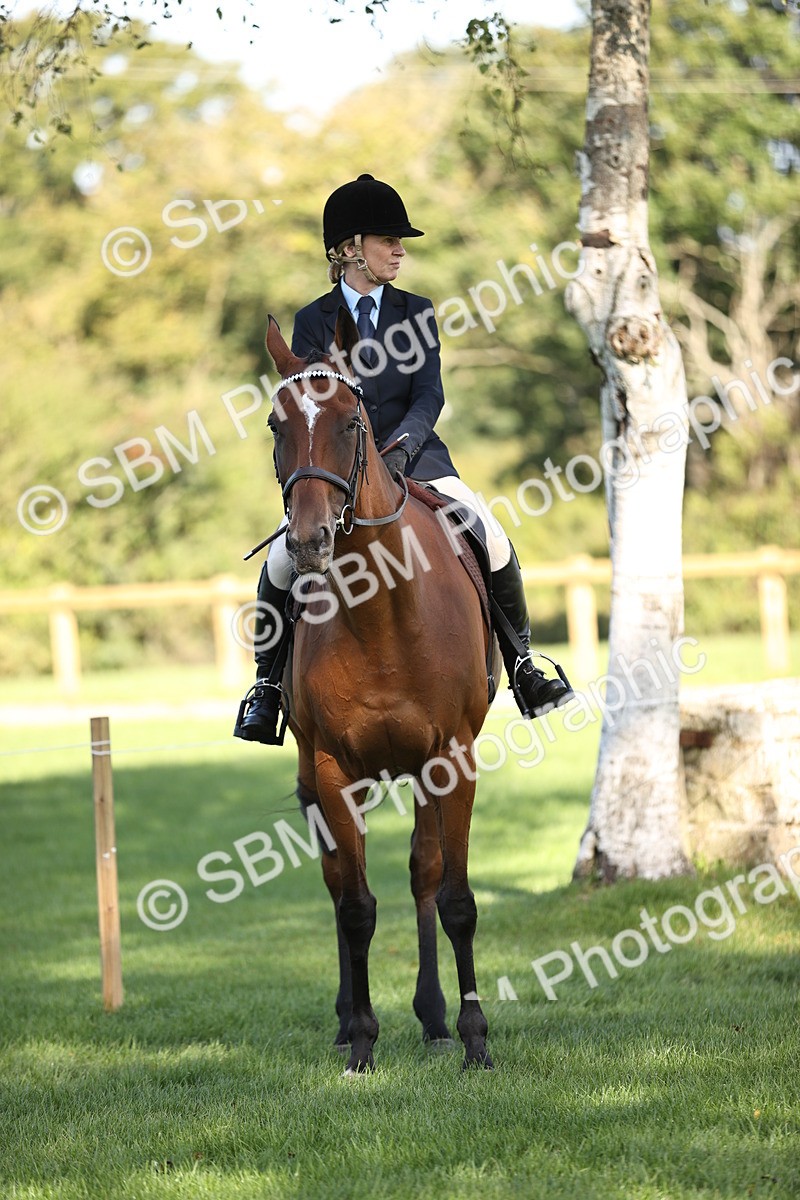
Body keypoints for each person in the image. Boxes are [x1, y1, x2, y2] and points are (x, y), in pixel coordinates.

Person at [234, 173, 573, 744]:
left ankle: (522, 667)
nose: (399, 250)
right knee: (279, 565)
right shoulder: (312, 321)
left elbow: (429, 395)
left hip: (417, 460)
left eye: (400, 241)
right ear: (349, 249)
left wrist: (401, 449)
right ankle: (267, 688)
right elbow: (311, 402)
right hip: (338, 472)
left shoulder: (417, 310)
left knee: (490, 535)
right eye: (387, 239)